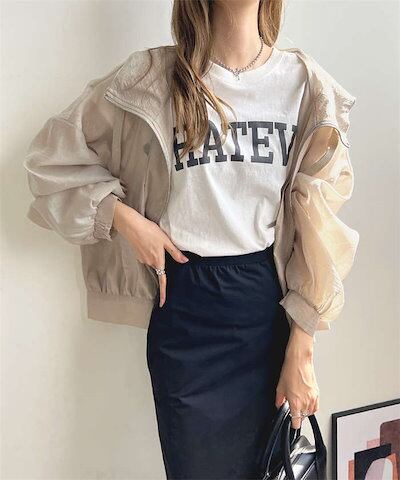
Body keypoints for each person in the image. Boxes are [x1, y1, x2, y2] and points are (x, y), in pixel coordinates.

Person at [23, 0, 359, 478]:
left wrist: (302, 346)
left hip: (264, 308)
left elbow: (318, 227)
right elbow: (49, 161)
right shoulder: (152, 78)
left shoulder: (303, 84)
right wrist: (125, 219)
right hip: (186, 315)